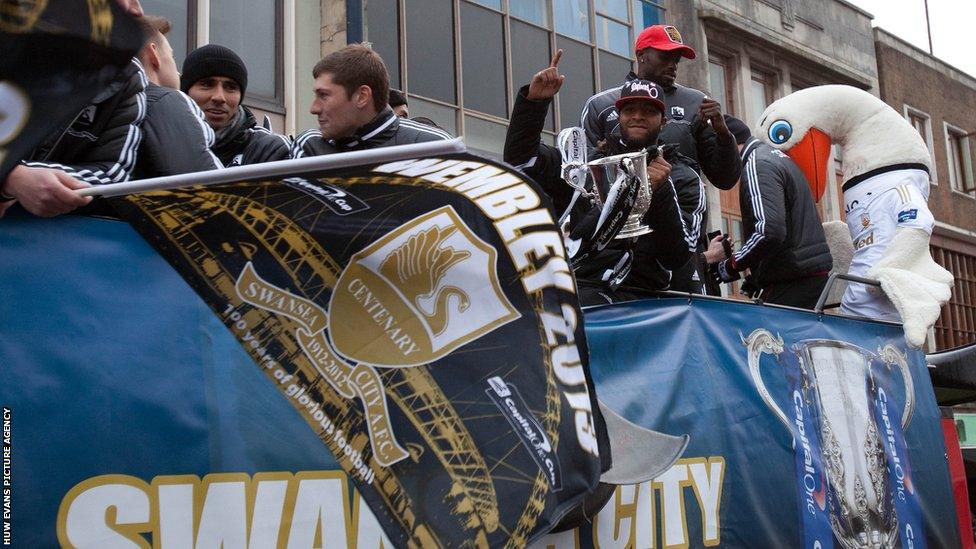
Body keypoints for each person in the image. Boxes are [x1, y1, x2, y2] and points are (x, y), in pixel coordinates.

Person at [504, 51, 689, 305]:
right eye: (630, 109)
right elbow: (522, 160)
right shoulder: (583, 167)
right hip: (580, 290)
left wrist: (657, 192)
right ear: (618, 116)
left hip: (643, 304)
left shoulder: (675, 175)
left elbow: (677, 257)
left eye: (648, 111)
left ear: (663, 121)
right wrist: (534, 105)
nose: (637, 116)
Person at [0, 0, 148, 217]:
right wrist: (12, 177)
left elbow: (114, 173)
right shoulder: (10, 39)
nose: (136, 10)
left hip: (38, 243)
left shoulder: (127, 76)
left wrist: (29, 178)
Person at [580, 24, 741, 191]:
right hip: (619, 212)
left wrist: (724, 136)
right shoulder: (601, 105)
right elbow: (581, 173)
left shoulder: (697, 103)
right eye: (665, 57)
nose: (673, 65)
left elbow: (725, 180)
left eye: (676, 59)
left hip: (680, 211)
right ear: (641, 55)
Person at [706, 116, 832, 308]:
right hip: (804, 275)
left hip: (792, 280)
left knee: (765, 338)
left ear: (726, 145)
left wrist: (732, 264)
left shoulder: (758, 163)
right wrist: (757, 276)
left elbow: (769, 231)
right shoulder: (775, 156)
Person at [292, 45, 451, 158]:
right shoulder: (310, 147)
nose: (314, 108)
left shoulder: (433, 146)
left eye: (324, 95)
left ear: (362, 96)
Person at [132, 16, 222, 178]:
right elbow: (208, 188)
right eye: (172, 57)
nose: (178, 72)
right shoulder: (166, 101)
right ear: (154, 55)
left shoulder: (100, 104)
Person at [181, 45, 291, 167]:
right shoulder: (162, 144)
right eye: (207, 84)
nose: (219, 97)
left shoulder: (268, 149)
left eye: (230, 87)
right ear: (186, 91)